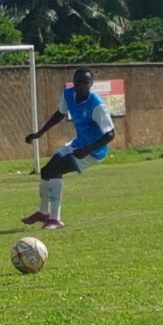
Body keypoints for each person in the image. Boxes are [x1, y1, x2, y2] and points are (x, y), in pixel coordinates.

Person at [21, 67, 115, 230]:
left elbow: (110, 134)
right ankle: (43, 213)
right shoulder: (68, 95)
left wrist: (87, 150)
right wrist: (39, 133)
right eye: (78, 82)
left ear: (91, 84)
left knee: (55, 170)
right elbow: (60, 114)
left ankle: (55, 219)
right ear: (74, 82)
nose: (81, 85)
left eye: (85, 82)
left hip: (93, 152)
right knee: (45, 171)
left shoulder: (97, 105)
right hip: (78, 145)